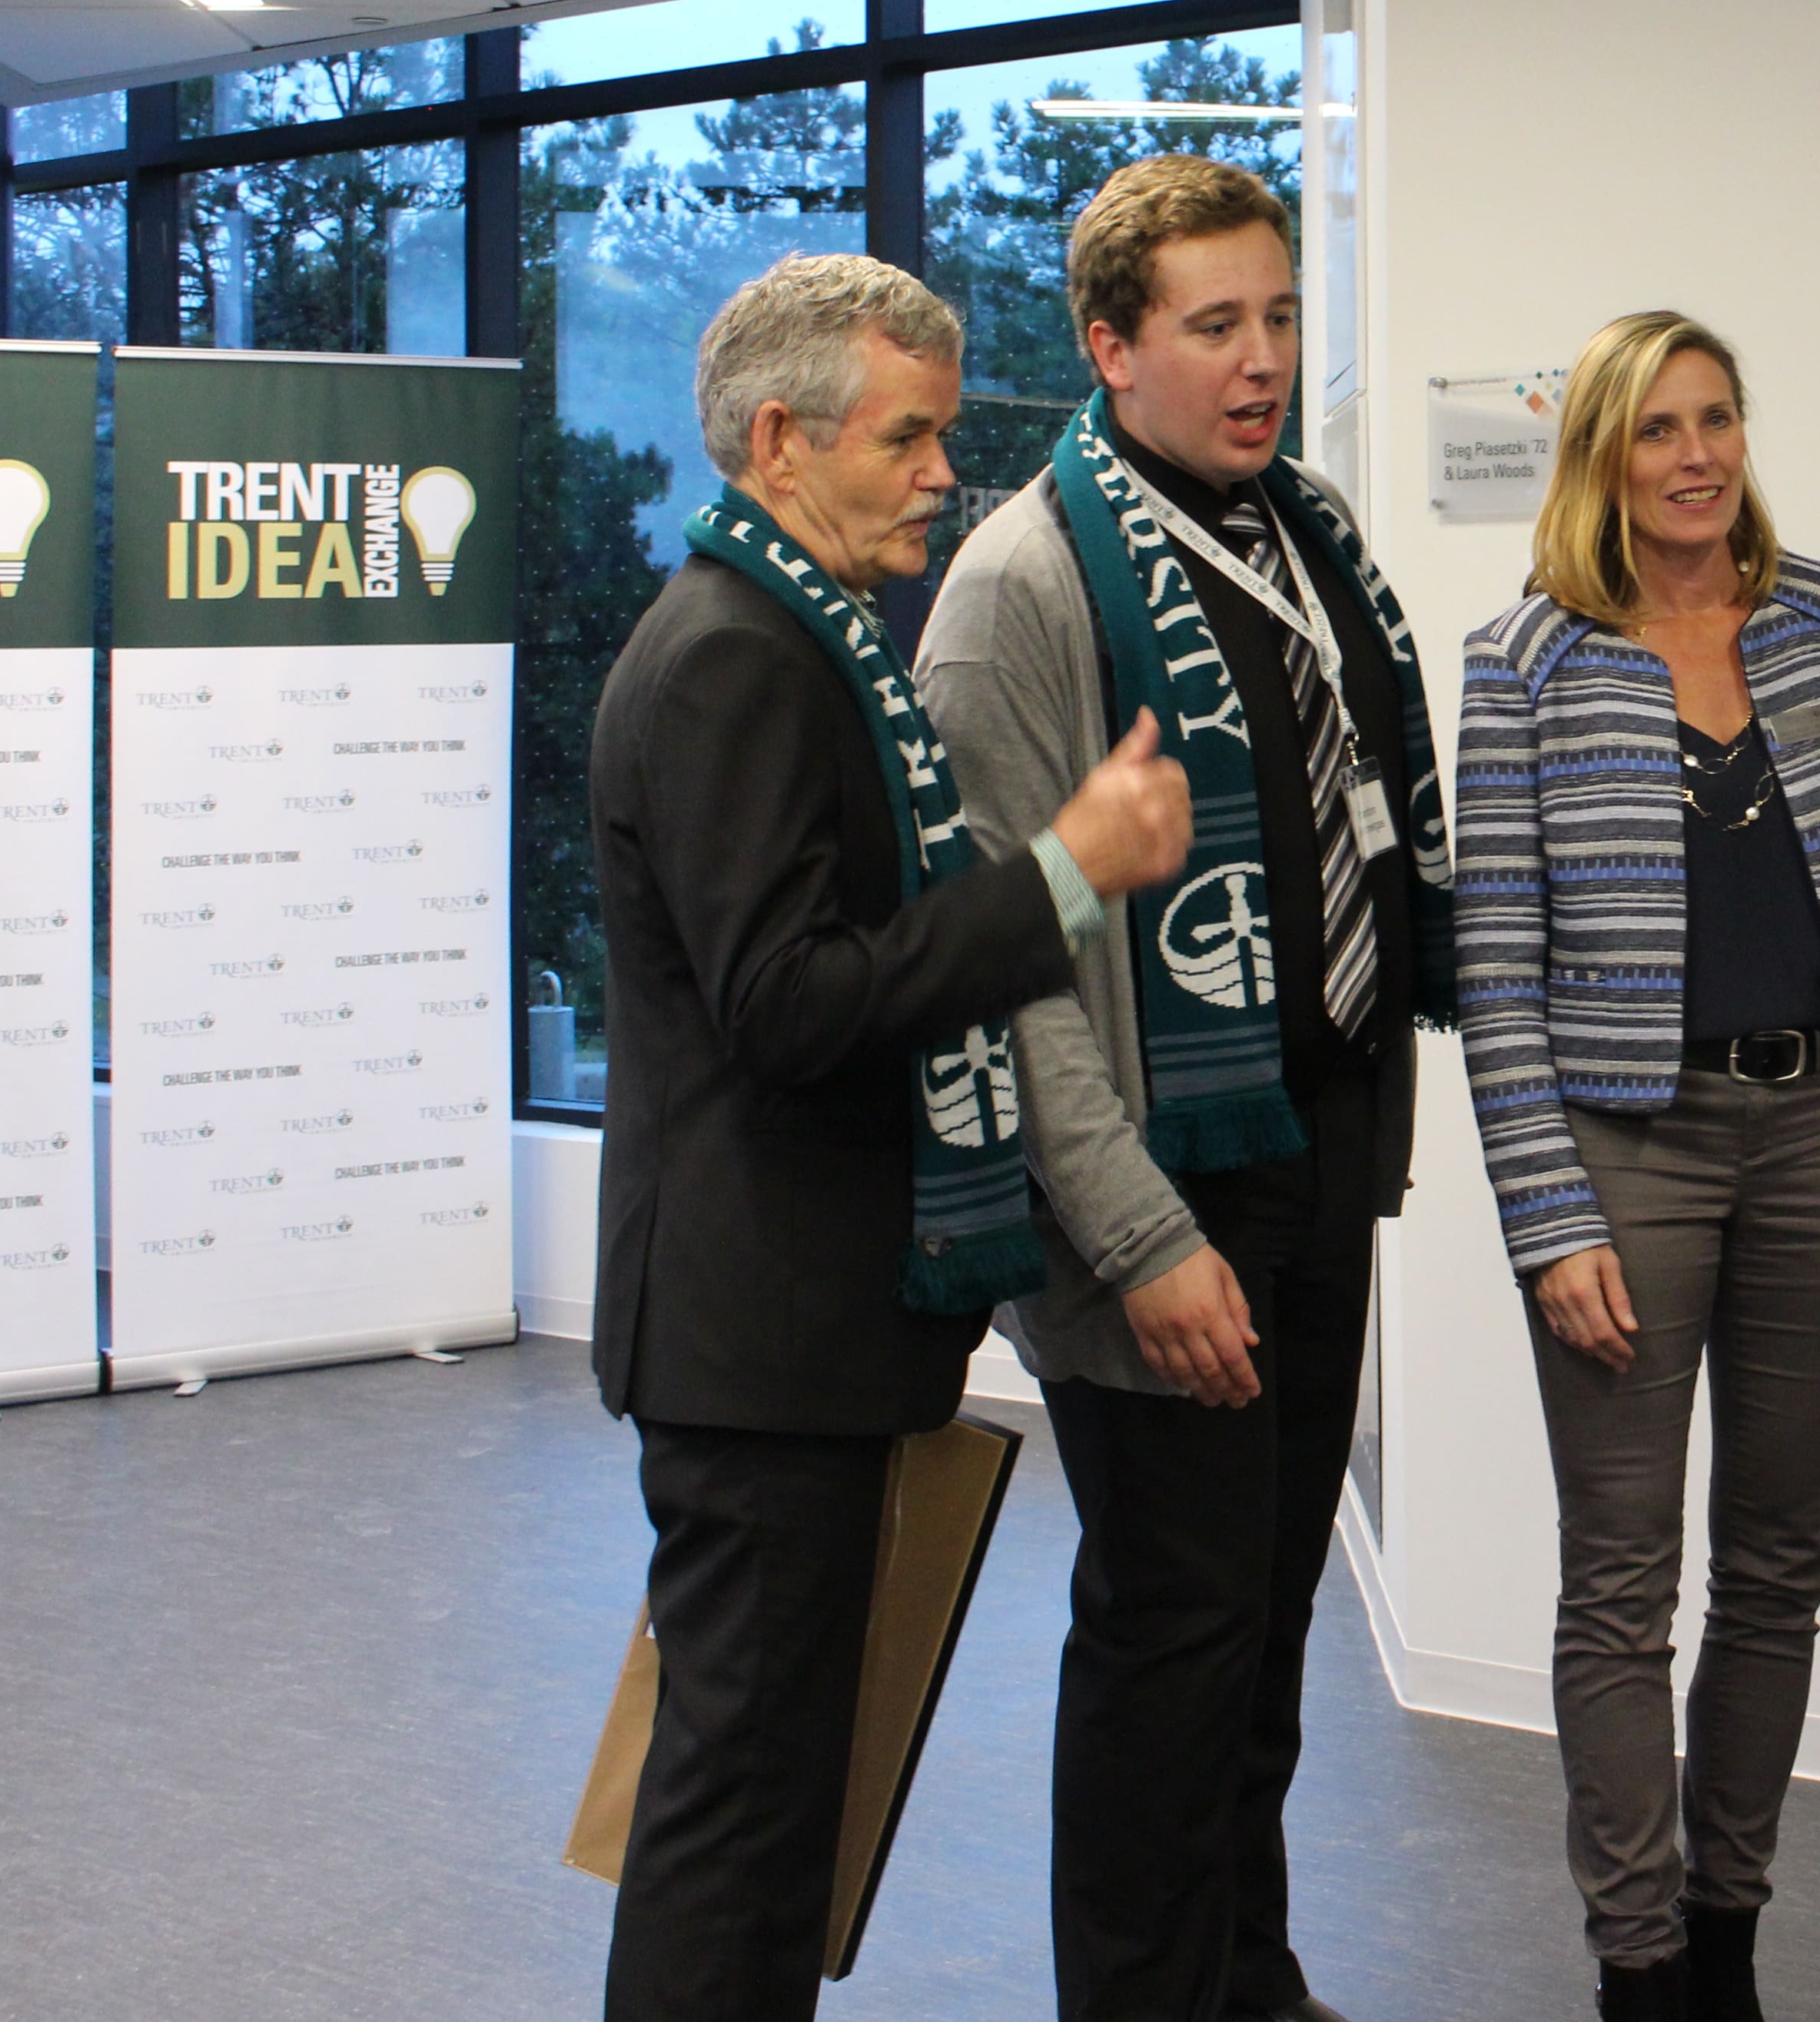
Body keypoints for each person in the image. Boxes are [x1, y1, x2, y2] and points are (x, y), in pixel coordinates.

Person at [590, 252, 1190, 2022]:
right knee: (736, 1819)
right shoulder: (731, 662)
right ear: (781, 440)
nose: (946, 473)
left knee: (772, 1812)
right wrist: (1064, 876)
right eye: (910, 438)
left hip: (796, 1338)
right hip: (756, 1342)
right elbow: (785, 1006)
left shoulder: (794, 637)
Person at [918, 155, 1455, 2022]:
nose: (1261, 362)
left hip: (1318, 1171)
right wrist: (1142, 1239)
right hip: (1151, 1210)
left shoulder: (1306, 537)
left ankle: (1252, 1977)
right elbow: (1003, 980)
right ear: (1109, 345)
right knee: (1170, 1637)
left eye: (1281, 316)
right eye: (1213, 325)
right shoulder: (1022, 586)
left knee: (1263, 1630)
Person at [1453, 310, 1820, 2022]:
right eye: (1658, 429)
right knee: (1621, 1577)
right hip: (1627, 1154)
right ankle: (1640, 1959)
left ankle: (1729, 1929)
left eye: (1719, 421)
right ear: (1600, 454)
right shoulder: (1525, 659)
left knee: (1779, 1562)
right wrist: (1546, 1218)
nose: (1695, 458)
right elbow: (1498, 976)